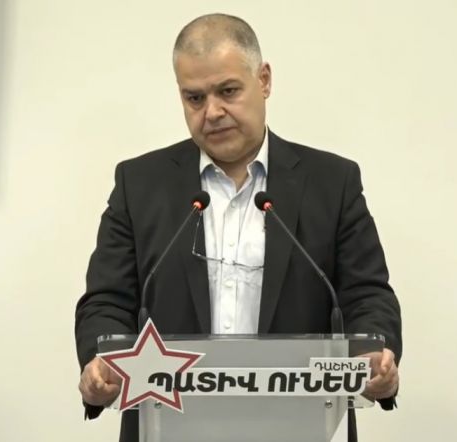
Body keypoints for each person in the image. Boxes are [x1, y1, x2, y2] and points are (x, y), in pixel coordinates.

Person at [75, 13, 401, 441]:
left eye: (228, 91)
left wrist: (376, 353)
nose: (212, 112)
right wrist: (100, 359)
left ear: (263, 80)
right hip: (168, 426)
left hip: (297, 427)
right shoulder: (139, 184)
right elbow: (107, 301)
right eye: (194, 98)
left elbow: (366, 293)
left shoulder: (331, 182)